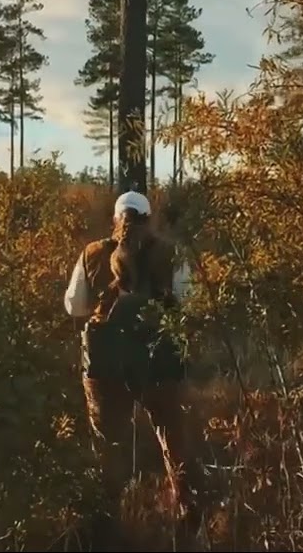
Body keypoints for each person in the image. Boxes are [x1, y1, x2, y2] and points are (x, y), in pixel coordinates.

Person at [63, 190, 202, 536]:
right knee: (172, 435)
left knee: (108, 442)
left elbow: (75, 307)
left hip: (105, 364)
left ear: (115, 219)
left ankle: (106, 519)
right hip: (161, 362)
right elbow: (192, 302)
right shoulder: (172, 254)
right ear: (148, 218)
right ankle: (185, 511)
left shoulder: (92, 254)